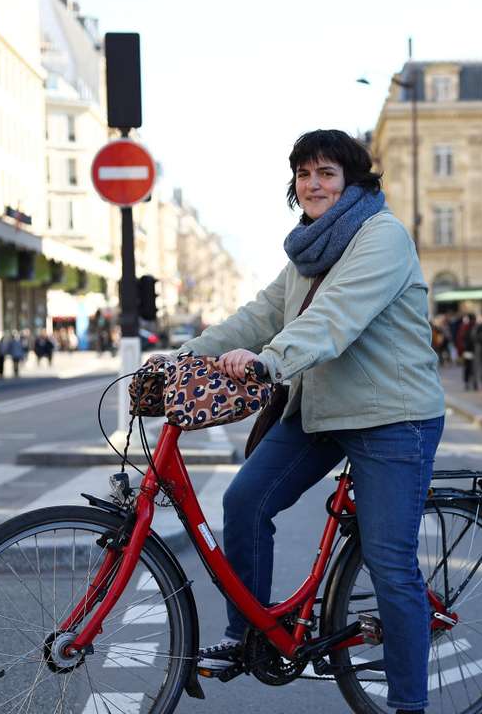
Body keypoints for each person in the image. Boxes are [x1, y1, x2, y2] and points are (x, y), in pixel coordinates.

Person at [179, 130, 444, 714]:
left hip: (392, 417)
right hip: (322, 411)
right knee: (245, 501)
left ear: (353, 180)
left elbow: (333, 317)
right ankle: (247, 634)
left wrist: (269, 362)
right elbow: (260, 314)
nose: (313, 183)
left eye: (326, 172)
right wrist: (183, 356)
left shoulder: (382, 236)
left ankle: (408, 706)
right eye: (304, 174)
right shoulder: (307, 249)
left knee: (389, 562)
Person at [458, 313, 477, 390]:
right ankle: (473, 383)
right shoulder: (471, 327)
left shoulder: (464, 327)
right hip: (471, 350)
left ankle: (468, 383)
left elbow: (460, 339)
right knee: (472, 367)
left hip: (467, 350)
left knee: (468, 367)